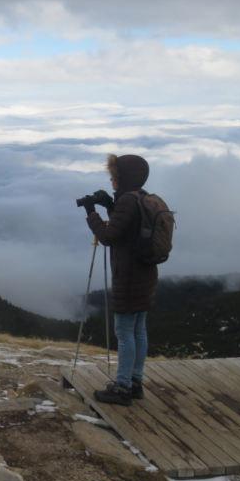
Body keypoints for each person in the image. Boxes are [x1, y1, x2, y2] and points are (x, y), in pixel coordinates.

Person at [83, 154, 158, 407]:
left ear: (124, 177)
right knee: (138, 330)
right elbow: (127, 226)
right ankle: (135, 383)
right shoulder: (142, 197)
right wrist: (109, 204)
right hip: (145, 274)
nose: (111, 180)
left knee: (124, 332)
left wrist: (91, 212)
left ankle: (123, 388)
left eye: (114, 176)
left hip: (128, 276)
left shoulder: (127, 200)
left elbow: (108, 236)